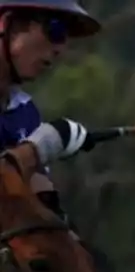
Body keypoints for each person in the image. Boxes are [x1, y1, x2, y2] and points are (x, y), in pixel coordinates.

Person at [0, 1, 97, 219]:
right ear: (6, 23)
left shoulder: (25, 113)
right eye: (56, 30)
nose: (60, 49)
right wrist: (40, 147)